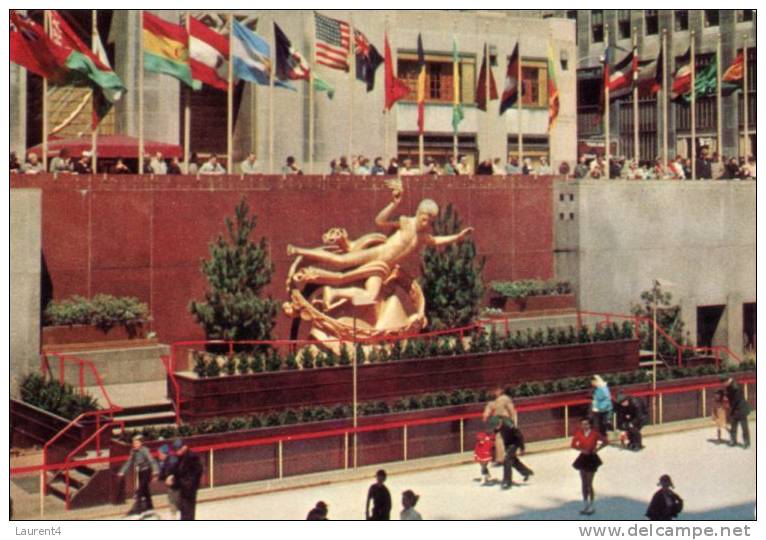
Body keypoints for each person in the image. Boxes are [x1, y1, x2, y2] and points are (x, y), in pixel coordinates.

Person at [287, 185, 472, 308]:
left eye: (429, 222)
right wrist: (394, 203)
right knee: (340, 262)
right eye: (425, 219)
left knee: (370, 297)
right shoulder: (406, 222)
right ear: (419, 213)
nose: (426, 224)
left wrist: (457, 237)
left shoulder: (422, 236)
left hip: (382, 268)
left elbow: (437, 241)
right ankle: (298, 250)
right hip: (376, 254)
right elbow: (380, 221)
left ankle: (333, 293)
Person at [117, 434, 159, 515]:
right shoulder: (133, 451)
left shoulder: (145, 450)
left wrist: (155, 470)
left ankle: (138, 511)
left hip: (147, 471)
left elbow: (151, 460)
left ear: (140, 443)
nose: (135, 445)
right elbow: (129, 462)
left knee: (139, 491)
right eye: (134, 443)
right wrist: (122, 471)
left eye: (136, 443)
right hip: (140, 471)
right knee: (145, 490)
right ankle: (150, 507)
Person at [571, 417, 604, 515]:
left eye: (586, 424)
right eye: (582, 424)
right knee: (584, 483)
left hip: (592, 458)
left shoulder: (594, 434)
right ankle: (585, 504)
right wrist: (581, 450)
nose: (584, 426)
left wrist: (597, 449)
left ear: (590, 425)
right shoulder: (578, 433)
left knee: (589, 484)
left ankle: (592, 505)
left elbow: (605, 441)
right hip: (583, 458)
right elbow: (573, 444)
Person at [492, 416, 533, 489]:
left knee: (507, 460)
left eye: (497, 426)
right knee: (512, 460)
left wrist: (522, 447)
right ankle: (526, 472)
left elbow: (519, 435)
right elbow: (496, 430)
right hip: (507, 443)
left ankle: (507, 481)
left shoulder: (509, 425)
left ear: (500, 423)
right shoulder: (498, 422)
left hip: (514, 443)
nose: (496, 428)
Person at [168, 438, 203, 520]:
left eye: (178, 449)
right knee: (183, 509)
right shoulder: (178, 457)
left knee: (188, 510)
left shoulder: (192, 456)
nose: (177, 452)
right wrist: (171, 476)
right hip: (182, 487)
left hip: (189, 488)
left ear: (184, 447)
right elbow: (175, 470)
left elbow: (198, 471)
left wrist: (190, 484)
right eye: (176, 450)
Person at [482, 386, 518, 464]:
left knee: (500, 439)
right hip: (502, 423)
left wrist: (514, 423)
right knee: (500, 439)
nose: (496, 392)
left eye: (497, 390)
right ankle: (503, 458)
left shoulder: (503, 400)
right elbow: (487, 413)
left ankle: (501, 459)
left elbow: (512, 412)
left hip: (505, 422)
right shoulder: (493, 403)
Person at [723, 377, 751, 448]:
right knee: (733, 426)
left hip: (741, 408)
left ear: (728, 380)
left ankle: (746, 442)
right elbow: (728, 395)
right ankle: (733, 440)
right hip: (734, 408)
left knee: (744, 427)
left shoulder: (736, 386)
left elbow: (736, 399)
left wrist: (730, 405)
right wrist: (726, 397)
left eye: (724, 383)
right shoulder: (728, 386)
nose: (724, 385)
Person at [156, 444, 180, 520]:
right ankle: (174, 517)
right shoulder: (163, 462)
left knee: (177, 502)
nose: (159, 456)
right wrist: (158, 478)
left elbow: (178, 472)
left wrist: (172, 477)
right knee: (172, 502)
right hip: (171, 487)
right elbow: (163, 474)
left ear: (164, 454)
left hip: (177, 486)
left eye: (160, 454)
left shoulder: (172, 461)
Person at [590, 374, 613, 442]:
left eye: (592, 382)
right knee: (599, 424)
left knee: (602, 424)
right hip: (599, 410)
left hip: (603, 410)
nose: (591, 383)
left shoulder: (603, 388)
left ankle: (603, 438)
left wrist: (599, 408)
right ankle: (602, 438)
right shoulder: (597, 388)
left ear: (595, 381)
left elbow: (607, 400)